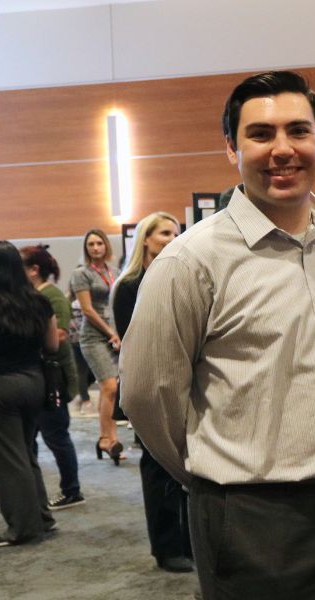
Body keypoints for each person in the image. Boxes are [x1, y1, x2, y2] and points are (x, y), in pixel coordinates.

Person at [120, 71, 315, 598]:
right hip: (254, 518)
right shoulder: (190, 262)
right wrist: (217, 479)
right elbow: (148, 396)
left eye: (298, 131)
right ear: (231, 148)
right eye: (261, 134)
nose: (282, 149)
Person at [112, 211, 193, 573]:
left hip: (185, 382)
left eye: (176, 232)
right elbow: (137, 342)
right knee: (157, 467)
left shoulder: (181, 275)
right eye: (164, 233)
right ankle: (165, 547)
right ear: (146, 239)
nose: (172, 237)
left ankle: (190, 542)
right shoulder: (129, 286)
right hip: (150, 385)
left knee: (189, 468)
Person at [0, 241, 60, 546]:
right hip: (34, 383)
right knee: (25, 453)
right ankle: (42, 518)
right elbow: (52, 346)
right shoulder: (39, 303)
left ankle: (23, 528)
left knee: (7, 461)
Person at [20, 245, 84, 510]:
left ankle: (71, 490)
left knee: (56, 434)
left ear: (34, 270)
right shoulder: (36, 295)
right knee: (39, 435)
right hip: (42, 375)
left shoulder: (51, 295)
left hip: (52, 376)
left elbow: (58, 336)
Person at [68, 228, 123, 464]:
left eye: (99, 243)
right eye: (90, 244)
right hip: (93, 336)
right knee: (109, 387)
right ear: (86, 248)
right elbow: (87, 310)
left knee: (111, 388)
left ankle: (111, 438)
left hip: (115, 335)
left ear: (106, 246)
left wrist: (119, 333)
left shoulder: (115, 272)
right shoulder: (81, 274)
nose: (95, 248)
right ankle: (105, 438)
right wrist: (111, 333)